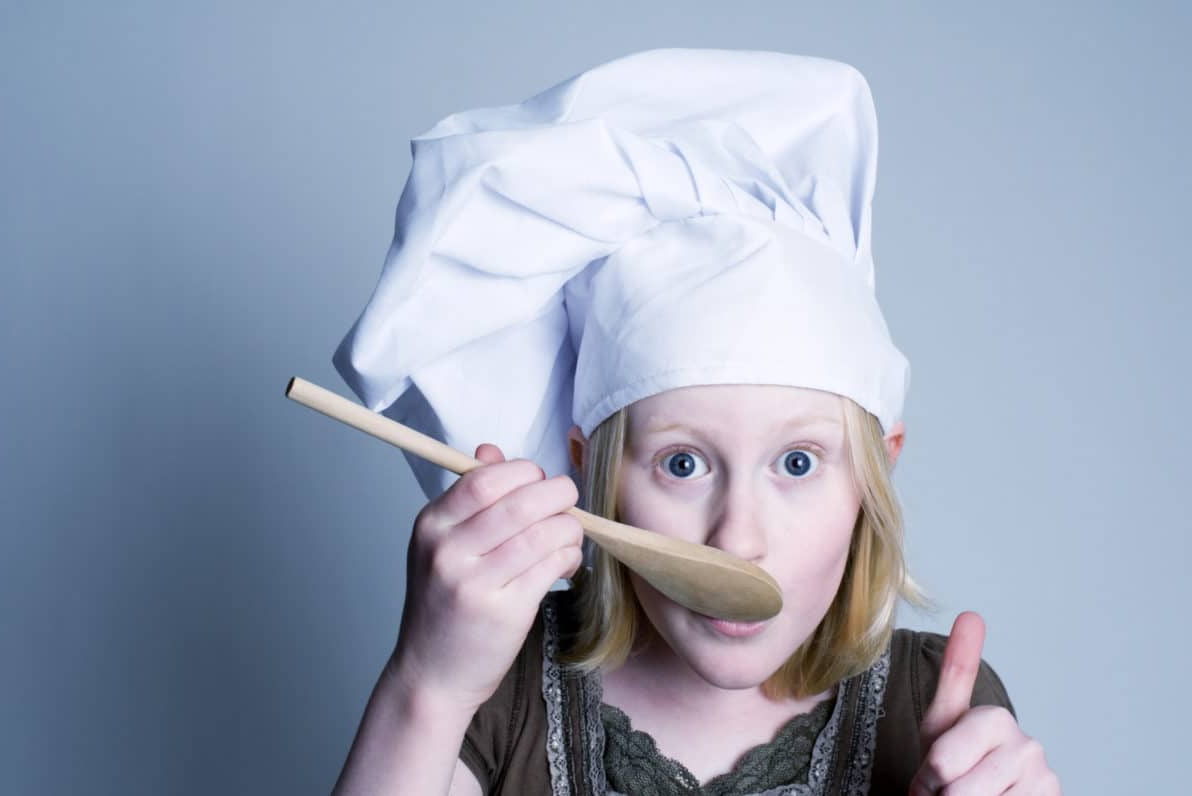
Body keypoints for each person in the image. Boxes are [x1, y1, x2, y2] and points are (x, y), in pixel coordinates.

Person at [329, 48, 1062, 795]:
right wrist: (429, 684)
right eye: (682, 464)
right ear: (589, 473)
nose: (738, 540)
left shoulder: (936, 705)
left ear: (877, 472)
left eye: (798, 463)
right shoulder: (493, 684)